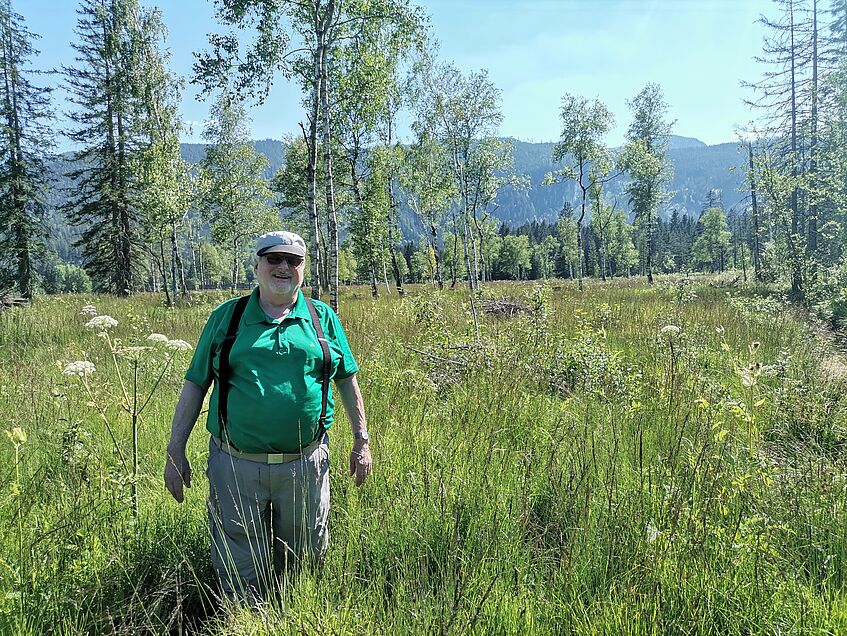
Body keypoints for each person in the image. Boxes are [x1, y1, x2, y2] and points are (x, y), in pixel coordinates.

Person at [164, 230, 371, 603]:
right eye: (274, 258)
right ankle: (246, 620)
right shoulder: (227, 318)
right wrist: (174, 450)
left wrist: (361, 441)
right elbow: (196, 384)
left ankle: (294, 616)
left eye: (293, 260)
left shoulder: (322, 318)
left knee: (305, 559)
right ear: (256, 265)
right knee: (239, 564)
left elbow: (347, 378)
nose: (283, 267)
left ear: (304, 269)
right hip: (236, 465)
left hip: (305, 464)